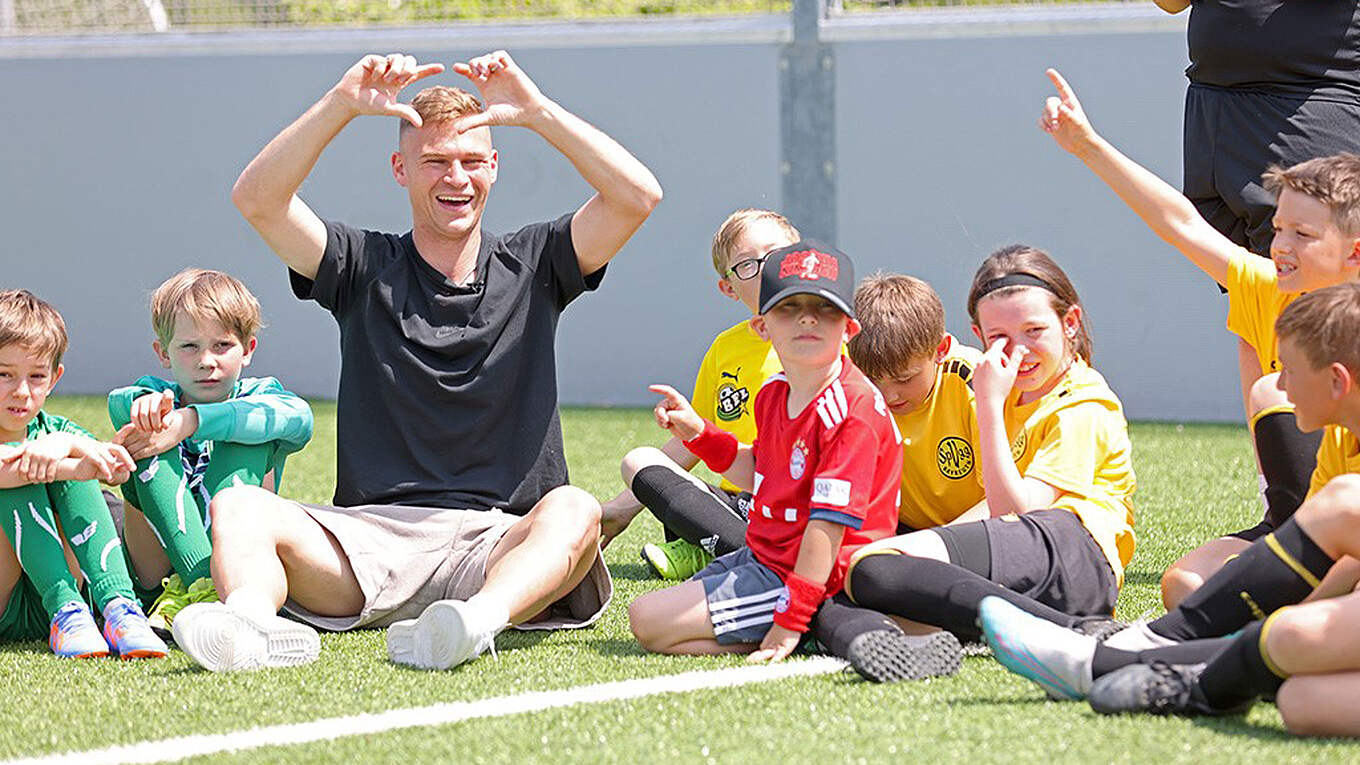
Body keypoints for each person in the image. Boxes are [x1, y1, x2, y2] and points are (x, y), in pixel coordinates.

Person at [172, 50, 661, 672]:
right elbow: (258, 199)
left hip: (499, 544)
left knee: (575, 509)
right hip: (369, 542)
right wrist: (341, 105)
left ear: (493, 168)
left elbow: (637, 197)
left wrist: (537, 112)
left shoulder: (538, 261)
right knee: (238, 505)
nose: (456, 177)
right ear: (400, 169)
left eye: (471, 161)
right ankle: (249, 626)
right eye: (435, 161)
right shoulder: (360, 265)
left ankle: (472, 625)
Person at [1040, 68, 1360, 608]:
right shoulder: (1268, 289)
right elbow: (1180, 224)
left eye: (1303, 234)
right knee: (1186, 585)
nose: (1280, 246)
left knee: (1271, 391)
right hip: (1301, 526)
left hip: (1349, 528)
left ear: (1354, 251)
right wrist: (1087, 146)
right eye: (1278, 229)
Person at [979, 284, 1360, 736]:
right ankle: (1161, 660)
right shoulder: (1340, 438)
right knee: (1301, 700)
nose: (1279, 386)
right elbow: (1340, 566)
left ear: (1337, 381)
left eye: (1289, 371)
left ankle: (1133, 653)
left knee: (1300, 616)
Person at [842, 246, 1134, 674]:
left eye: (1034, 330)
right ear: (979, 335)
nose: (1019, 351)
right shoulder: (1008, 386)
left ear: (1069, 323)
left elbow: (1014, 513)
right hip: (1019, 557)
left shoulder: (1082, 403)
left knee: (872, 569)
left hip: (1075, 556)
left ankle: (1077, 632)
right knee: (852, 579)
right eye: (1000, 338)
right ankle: (901, 638)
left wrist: (989, 407)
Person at [628, 241, 901, 662]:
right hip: (766, 555)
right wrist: (698, 433)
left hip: (823, 575)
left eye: (825, 308)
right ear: (761, 326)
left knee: (648, 620)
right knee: (656, 615)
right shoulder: (775, 391)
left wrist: (791, 619)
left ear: (849, 328)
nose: (807, 318)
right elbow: (760, 472)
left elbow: (828, 528)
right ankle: (811, 629)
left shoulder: (851, 409)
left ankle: (815, 624)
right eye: (789, 307)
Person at [107, 268, 313, 629]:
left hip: (235, 567)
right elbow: (121, 401)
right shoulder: (156, 396)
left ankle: (205, 590)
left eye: (222, 345)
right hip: (154, 577)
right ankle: (204, 586)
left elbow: (300, 419)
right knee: (150, 434)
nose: (206, 361)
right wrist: (146, 408)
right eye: (189, 347)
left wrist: (193, 421)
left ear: (248, 350)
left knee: (250, 430)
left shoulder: (263, 397)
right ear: (163, 353)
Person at [599, 208, 797, 580]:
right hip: (737, 507)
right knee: (639, 462)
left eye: (776, 255)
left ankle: (723, 553)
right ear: (729, 288)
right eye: (747, 265)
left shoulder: (832, 337)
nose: (765, 269)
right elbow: (694, 442)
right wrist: (623, 508)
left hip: (801, 502)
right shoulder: (725, 349)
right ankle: (732, 549)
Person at [806, 273, 984, 681]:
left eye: (905, 378)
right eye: (875, 380)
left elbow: (1012, 501)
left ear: (940, 350)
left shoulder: (974, 382)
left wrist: (937, 542)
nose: (889, 395)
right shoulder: (845, 388)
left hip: (977, 537)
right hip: (902, 536)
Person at [0, 289, 164, 659]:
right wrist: (74, 460)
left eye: (36, 376)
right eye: (4, 374)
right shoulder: (56, 439)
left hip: (61, 611)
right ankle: (63, 605)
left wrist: (93, 456)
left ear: (54, 378)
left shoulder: (56, 430)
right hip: (3, 599)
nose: (21, 391)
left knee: (63, 470)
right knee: (22, 471)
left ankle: (119, 606)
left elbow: (113, 472)